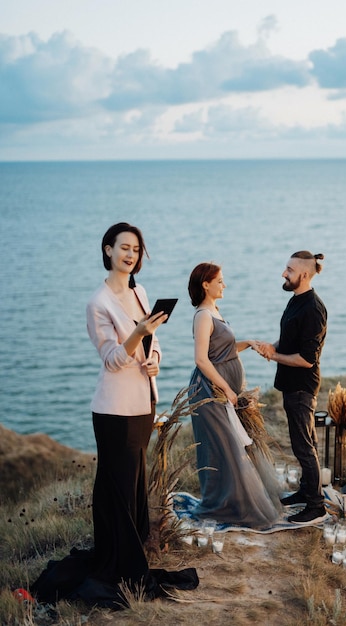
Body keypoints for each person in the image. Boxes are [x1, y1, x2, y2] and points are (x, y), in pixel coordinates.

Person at [31, 222, 198, 607]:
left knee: (133, 484)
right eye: (124, 247)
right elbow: (111, 360)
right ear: (108, 250)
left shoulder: (140, 291)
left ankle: (132, 551)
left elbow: (154, 343)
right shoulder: (98, 302)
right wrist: (137, 333)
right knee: (118, 488)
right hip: (114, 410)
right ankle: (119, 561)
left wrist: (154, 358)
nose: (131, 255)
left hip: (144, 403)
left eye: (136, 249)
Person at [188, 262, 282, 529]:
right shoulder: (203, 316)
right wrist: (227, 389)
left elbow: (223, 351)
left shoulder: (215, 312)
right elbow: (202, 360)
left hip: (220, 392)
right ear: (206, 284)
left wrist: (248, 343)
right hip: (209, 393)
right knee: (223, 449)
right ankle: (224, 505)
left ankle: (230, 502)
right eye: (220, 281)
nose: (224, 285)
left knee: (230, 448)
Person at [255, 251, 328, 526]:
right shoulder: (295, 301)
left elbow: (307, 359)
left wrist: (274, 356)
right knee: (306, 443)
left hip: (302, 389)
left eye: (289, 269)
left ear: (304, 274)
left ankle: (316, 506)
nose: (283, 273)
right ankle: (307, 491)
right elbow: (290, 341)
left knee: (304, 447)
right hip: (291, 386)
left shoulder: (313, 309)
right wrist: (272, 346)